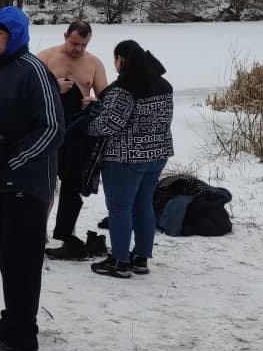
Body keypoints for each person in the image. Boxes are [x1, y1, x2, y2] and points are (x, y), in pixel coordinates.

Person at [0, 6, 63, 351]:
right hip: (4, 181)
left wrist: (15, 160)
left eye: (0, 33)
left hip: (28, 182)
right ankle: (13, 319)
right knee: (7, 252)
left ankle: (23, 337)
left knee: (23, 259)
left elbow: (53, 128)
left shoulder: (32, 70)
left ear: (16, 36)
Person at [88, 40, 174, 278]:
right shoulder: (164, 84)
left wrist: (87, 125)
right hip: (158, 154)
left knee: (119, 209)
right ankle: (140, 257)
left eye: (115, 59)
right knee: (143, 204)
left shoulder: (124, 88)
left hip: (125, 158)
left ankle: (119, 260)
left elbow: (111, 123)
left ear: (122, 59)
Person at [36, 20, 108, 258]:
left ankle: (67, 234)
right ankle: (38, 231)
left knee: (72, 184)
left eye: (83, 45)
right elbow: (29, 91)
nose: (78, 49)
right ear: (65, 35)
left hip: (77, 131)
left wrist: (93, 103)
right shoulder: (46, 57)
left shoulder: (94, 63)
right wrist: (53, 86)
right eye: (74, 43)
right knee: (44, 182)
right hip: (49, 125)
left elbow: (106, 98)